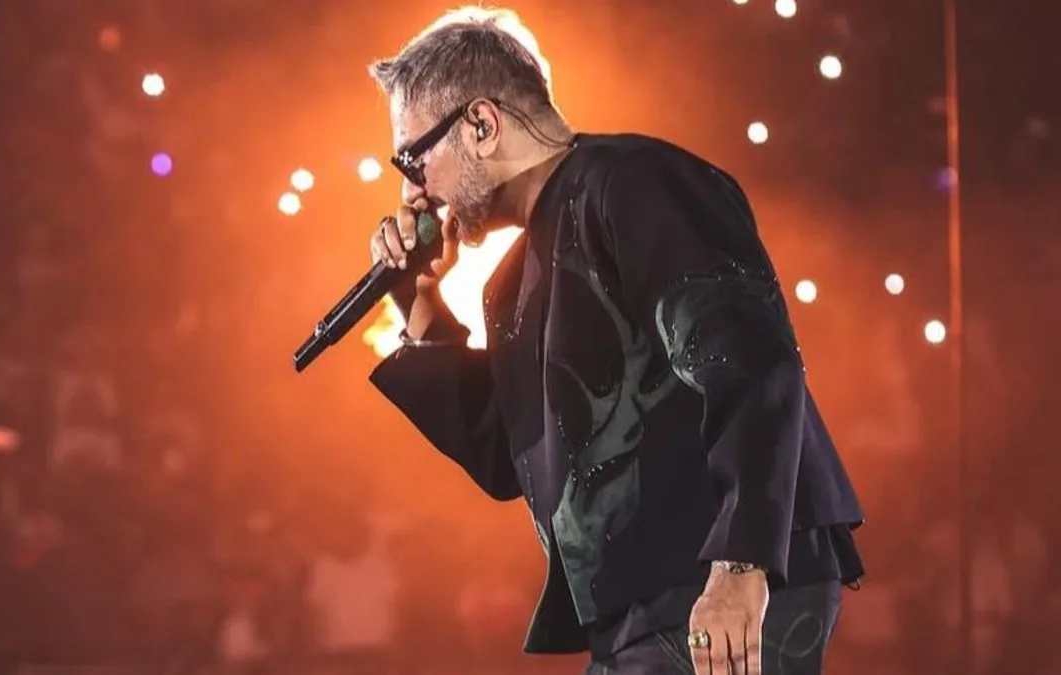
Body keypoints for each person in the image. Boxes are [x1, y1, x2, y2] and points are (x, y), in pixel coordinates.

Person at [364, 7, 864, 675]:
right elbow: (511, 454)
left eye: (413, 155)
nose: (411, 187)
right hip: (642, 604)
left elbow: (749, 358)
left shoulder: (631, 183)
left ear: (481, 124)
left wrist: (741, 563)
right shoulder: (512, 283)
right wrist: (419, 300)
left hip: (713, 575)